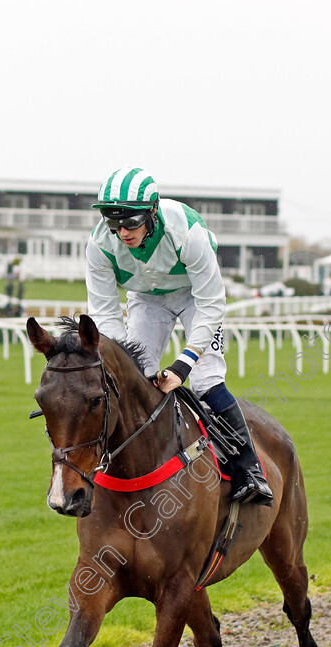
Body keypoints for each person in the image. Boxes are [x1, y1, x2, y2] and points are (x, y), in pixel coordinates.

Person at [85, 166, 272, 506]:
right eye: (114, 222)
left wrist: (183, 366)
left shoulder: (187, 232)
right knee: (130, 380)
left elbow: (212, 303)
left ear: (153, 212)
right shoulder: (99, 244)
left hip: (195, 297)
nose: (122, 232)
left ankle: (250, 469)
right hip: (145, 299)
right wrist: (116, 362)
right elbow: (105, 314)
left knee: (205, 380)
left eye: (131, 222)